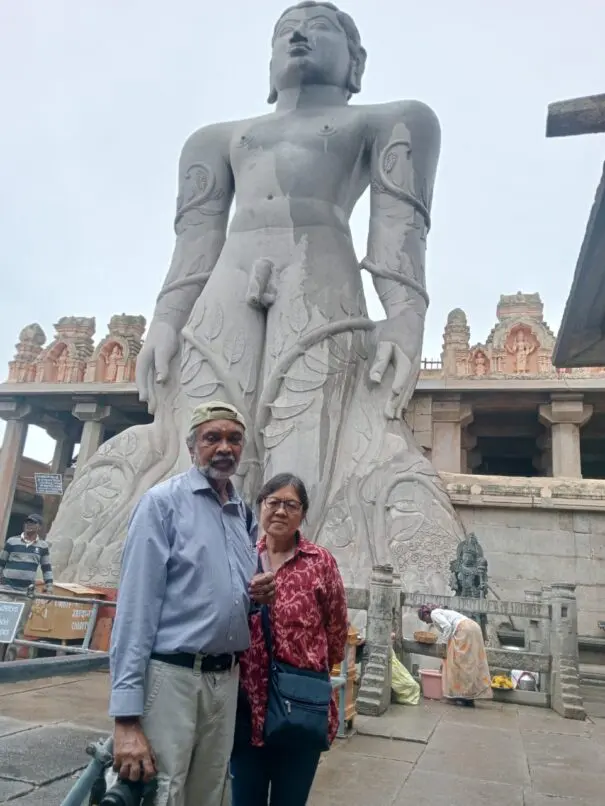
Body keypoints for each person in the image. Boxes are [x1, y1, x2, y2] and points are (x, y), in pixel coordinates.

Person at [109, 401, 276, 806]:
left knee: (210, 792)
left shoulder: (242, 514)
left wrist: (256, 600)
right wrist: (126, 718)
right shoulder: (162, 504)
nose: (224, 448)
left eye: (234, 439)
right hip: (172, 677)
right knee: (163, 791)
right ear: (192, 447)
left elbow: (232, 597)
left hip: (225, 679)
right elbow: (135, 610)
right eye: (212, 438)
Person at [230, 473, 348, 806]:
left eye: (291, 505)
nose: (281, 511)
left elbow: (336, 627)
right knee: (244, 798)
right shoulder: (242, 555)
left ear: (303, 513)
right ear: (260, 506)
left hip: (300, 705)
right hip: (245, 705)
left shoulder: (319, 562)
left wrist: (309, 671)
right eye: (273, 502)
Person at [417, 605, 492, 707]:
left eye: (424, 619)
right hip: (474, 627)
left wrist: (444, 645)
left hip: (464, 629)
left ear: (427, 614)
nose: (426, 622)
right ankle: (469, 697)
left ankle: (462, 697)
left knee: (457, 664)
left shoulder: (434, 614)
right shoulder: (442, 613)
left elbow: (447, 627)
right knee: (469, 663)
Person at [0, 514, 53, 594]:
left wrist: (49, 586)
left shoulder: (43, 546)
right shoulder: (12, 541)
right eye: (27, 522)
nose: (29, 525)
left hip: (27, 592)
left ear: (39, 527)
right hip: (6, 589)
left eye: (33, 523)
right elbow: (1, 563)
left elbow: (46, 568)